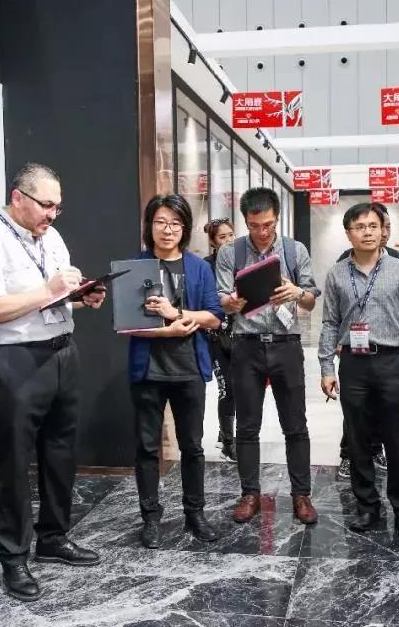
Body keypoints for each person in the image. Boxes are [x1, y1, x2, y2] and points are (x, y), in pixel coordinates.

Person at [0, 163, 106, 603]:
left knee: (61, 451)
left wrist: (81, 297)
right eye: (46, 205)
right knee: (14, 461)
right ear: (17, 197)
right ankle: (13, 556)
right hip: (14, 360)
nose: (52, 214)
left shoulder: (52, 237)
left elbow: (54, 298)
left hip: (61, 352)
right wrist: (48, 289)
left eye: (58, 207)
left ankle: (53, 537)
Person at [215, 187, 321, 525]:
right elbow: (220, 298)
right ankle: (250, 494)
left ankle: (301, 494)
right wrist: (230, 302)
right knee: (247, 425)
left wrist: (297, 292)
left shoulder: (294, 249)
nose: (262, 232)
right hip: (246, 345)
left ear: (277, 218)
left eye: (268, 224)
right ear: (245, 221)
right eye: (254, 225)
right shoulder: (230, 252)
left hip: (286, 344)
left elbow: (311, 300)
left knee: (295, 424)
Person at [319, 204, 399, 537]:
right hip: (353, 363)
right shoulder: (337, 274)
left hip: (390, 361)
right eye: (359, 227)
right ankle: (367, 507)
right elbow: (330, 322)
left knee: (395, 439)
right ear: (348, 233)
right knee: (358, 440)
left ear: (382, 230)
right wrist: (326, 366)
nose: (366, 232)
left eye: (372, 226)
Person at [128, 195, 225, 549]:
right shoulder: (135, 266)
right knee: (146, 448)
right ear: (149, 225)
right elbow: (125, 324)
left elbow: (215, 317)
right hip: (148, 371)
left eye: (175, 223)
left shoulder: (198, 267)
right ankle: (150, 518)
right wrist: (167, 331)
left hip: (189, 370)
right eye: (160, 222)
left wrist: (176, 313)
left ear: (184, 228)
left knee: (193, 446)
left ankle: (195, 513)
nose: (167, 230)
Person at [334, 202, 399, 480]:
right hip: (354, 349)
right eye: (362, 226)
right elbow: (337, 310)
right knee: (355, 411)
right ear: (350, 233)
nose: (375, 232)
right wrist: (339, 341)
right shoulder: (343, 263)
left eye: (379, 226)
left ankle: (376, 450)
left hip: (386, 351)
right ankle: (348, 454)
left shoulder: (396, 262)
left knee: (383, 411)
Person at [205, 218, 237, 461]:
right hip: (216, 335)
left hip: (243, 334)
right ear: (213, 242)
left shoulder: (243, 261)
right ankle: (228, 442)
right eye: (222, 237)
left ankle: (225, 433)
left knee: (241, 387)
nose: (228, 240)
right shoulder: (206, 266)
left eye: (230, 235)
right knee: (227, 388)